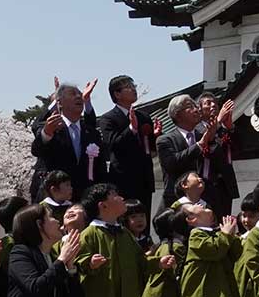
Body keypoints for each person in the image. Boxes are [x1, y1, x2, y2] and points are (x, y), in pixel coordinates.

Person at [30, 78, 104, 201]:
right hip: (55, 197)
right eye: (73, 94)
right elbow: (37, 150)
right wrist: (47, 132)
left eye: (80, 95)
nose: (78, 97)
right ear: (59, 103)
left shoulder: (92, 133)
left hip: (84, 198)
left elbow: (99, 168)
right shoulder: (49, 127)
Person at [158, 93, 233, 211]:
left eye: (196, 106)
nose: (197, 109)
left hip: (206, 199)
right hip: (178, 200)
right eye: (190, 106)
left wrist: (221, 132)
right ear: (177, 114)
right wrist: (200, 144)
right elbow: (172, 163)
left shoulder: (204, 135)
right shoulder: (165, 140)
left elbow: (219, 159)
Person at [97, 74, 157, 207]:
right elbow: (113, 144)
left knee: (144, 221)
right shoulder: (108, 119)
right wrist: (131, 129)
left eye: (133, 86)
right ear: (117, 94)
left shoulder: (144, 117)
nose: (134, 89)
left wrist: (156, 136)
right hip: (123, 179)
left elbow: (151, 149)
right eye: (128, 87)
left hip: (145, 178)